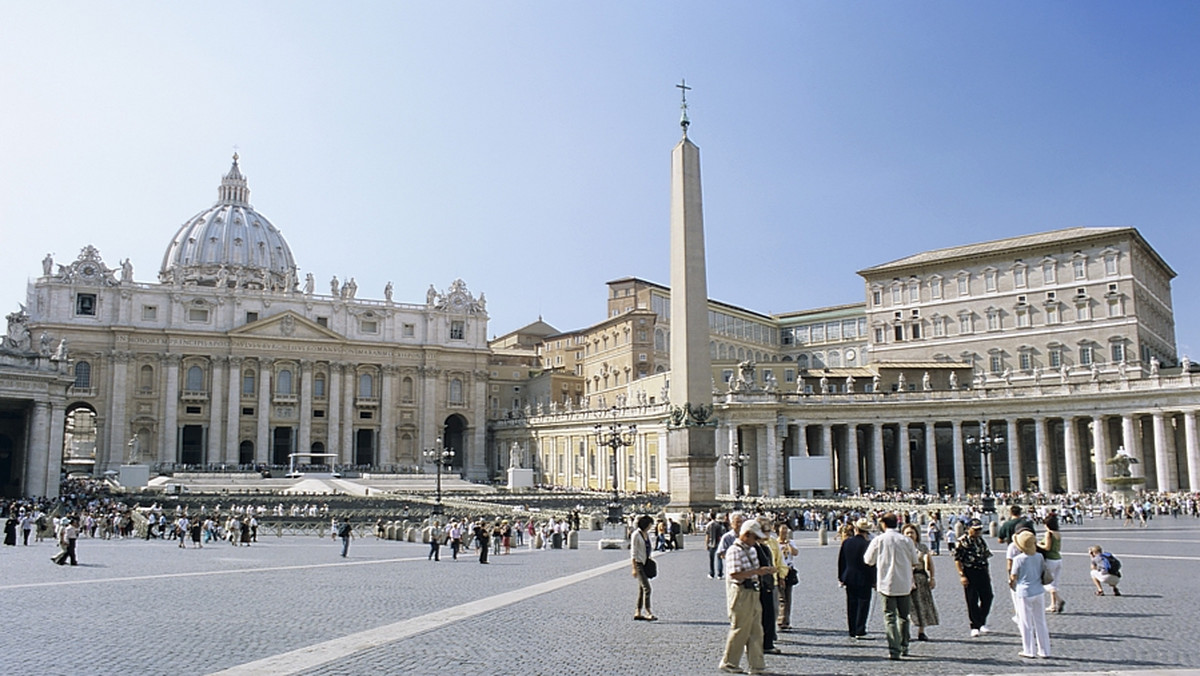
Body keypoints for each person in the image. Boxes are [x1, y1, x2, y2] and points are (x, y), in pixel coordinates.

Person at [719, 519, 774, 675]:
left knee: (757, 630)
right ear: (746, 535)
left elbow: (754, 569)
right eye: (754, 538)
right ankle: (728, 662)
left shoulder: (751, 549)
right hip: (741, 592)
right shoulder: (734, 551)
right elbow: (734, 574)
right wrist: (757, 572)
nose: (756, 541)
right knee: (740, 629)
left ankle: (757, 666)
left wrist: (765, 571)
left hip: (753, 591)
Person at [863, 513, 920, 661]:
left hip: (886, 584)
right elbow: (915, 560)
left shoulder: (879, 540)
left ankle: (894, 650)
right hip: (904, 584)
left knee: (889, 618)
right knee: (904, 617)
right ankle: (904, 646)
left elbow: (868, 560)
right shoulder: (906, 540)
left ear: (883, 524)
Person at [1010, 531, 1051, 658]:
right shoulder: (1039, 556)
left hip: (1024, 592)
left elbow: (1013, 577)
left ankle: (1029, 650)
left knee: (1026, 622)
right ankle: (1044, 650)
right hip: (1038, 590)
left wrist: (1011, 585)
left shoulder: (1018, 559)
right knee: (1041, 621)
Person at [954, 518, 994, 637]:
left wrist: (988, 573)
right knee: (972, 599)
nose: (978, 532)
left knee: (988, 596)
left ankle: (981, 621)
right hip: (969, 571)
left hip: (982, 570)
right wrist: (962, 575)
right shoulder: (962, 541)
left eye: (980, 529)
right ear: (968, 529)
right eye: (975, 529)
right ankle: (975, 625)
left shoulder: (981, 541)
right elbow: (957, 559)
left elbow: (986, 556)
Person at [838, 518, 876, 640]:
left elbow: (841, 561)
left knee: (851, 603)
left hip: (849, 576)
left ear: (856, 529)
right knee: (863, 604)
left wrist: (841, 577)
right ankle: (860, 629)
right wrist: (874, 580)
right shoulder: (867, 544)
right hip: (864, 577)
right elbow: (871, 564)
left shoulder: (846, 542)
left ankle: (852, 629)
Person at [902, 523, 939, 641]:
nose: (910, 535)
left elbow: (930, 564)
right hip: (905, 579)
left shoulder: (922, 547)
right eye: (907, 533)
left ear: (916, 534)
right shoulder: (901, 547)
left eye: (912, 533)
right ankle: (905, 631)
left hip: (920, 578)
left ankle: (921, 631)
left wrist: (932, 578)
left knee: (922, 605)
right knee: (906, 606)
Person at [756, 519, 782, 654]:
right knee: (763, 616)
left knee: (770, 615)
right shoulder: (754, 548)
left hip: (769, 584)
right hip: (760, 586)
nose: (769, 533)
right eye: (766, 531)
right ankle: (764, 643)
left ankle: (768, 641)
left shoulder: (765, 547)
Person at [631, 514, 656, 621]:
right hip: (639, 563)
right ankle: (648, 611)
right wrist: (634, 568)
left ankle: (638, 611)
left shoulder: (646, 534)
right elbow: (633, 552)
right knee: (647, 588)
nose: (651, 526)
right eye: (650, 524)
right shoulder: (636, 535)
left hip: (646, 563)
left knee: (642, 589)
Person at [1040, 514, 1065, 613]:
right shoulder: (1058, 534)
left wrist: (1037, 544)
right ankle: (1053, 605)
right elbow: (1058, 548)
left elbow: (1047, 547)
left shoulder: (1048, 534)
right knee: (1054, 583)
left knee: (1046, 582)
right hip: (1058, 559)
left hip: (1050, 559)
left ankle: (1059, 600)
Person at [776, 524, 798, 631]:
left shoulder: (791, 542)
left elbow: (795, 553)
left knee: (788, 597)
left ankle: (786, 620)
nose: (784, 533)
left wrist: (788, 545)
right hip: (779, 570)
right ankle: (781, 620)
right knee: (781, 597)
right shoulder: (775, 544)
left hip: (789, 570)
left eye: (786, 531)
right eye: (782, 531)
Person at [706, 511, 728, 579]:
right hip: (719, 543)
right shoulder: (721, 525)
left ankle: (712, 573)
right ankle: (720, 574)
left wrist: (706, 544)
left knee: (711, 559)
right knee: (719, 559)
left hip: (711, 543)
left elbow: (707, 535)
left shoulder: (709, 524)